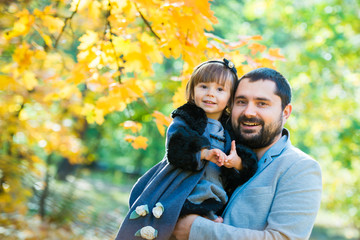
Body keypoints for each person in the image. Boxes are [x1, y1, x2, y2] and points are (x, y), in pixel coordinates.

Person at [115, 59, 258, 240]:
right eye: (204, 87)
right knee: (158, 228)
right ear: (192, 90)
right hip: (180, 190)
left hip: (210, 197)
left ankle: (206, 225)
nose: (210, 94)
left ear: (231, 98)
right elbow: (176, 148)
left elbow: (247, 161)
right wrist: (204, 153)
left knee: (203, 226)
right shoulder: (186, 119)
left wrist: (235, 162)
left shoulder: (231, 129)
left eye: (220, 89)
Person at [173, 67, 323, 240]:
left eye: (262, 103)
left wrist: (195, 229)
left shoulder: (300, 168)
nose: (248, 112)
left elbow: (284, 238)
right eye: (241, 102)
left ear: (285, 112)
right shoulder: (215, 149)